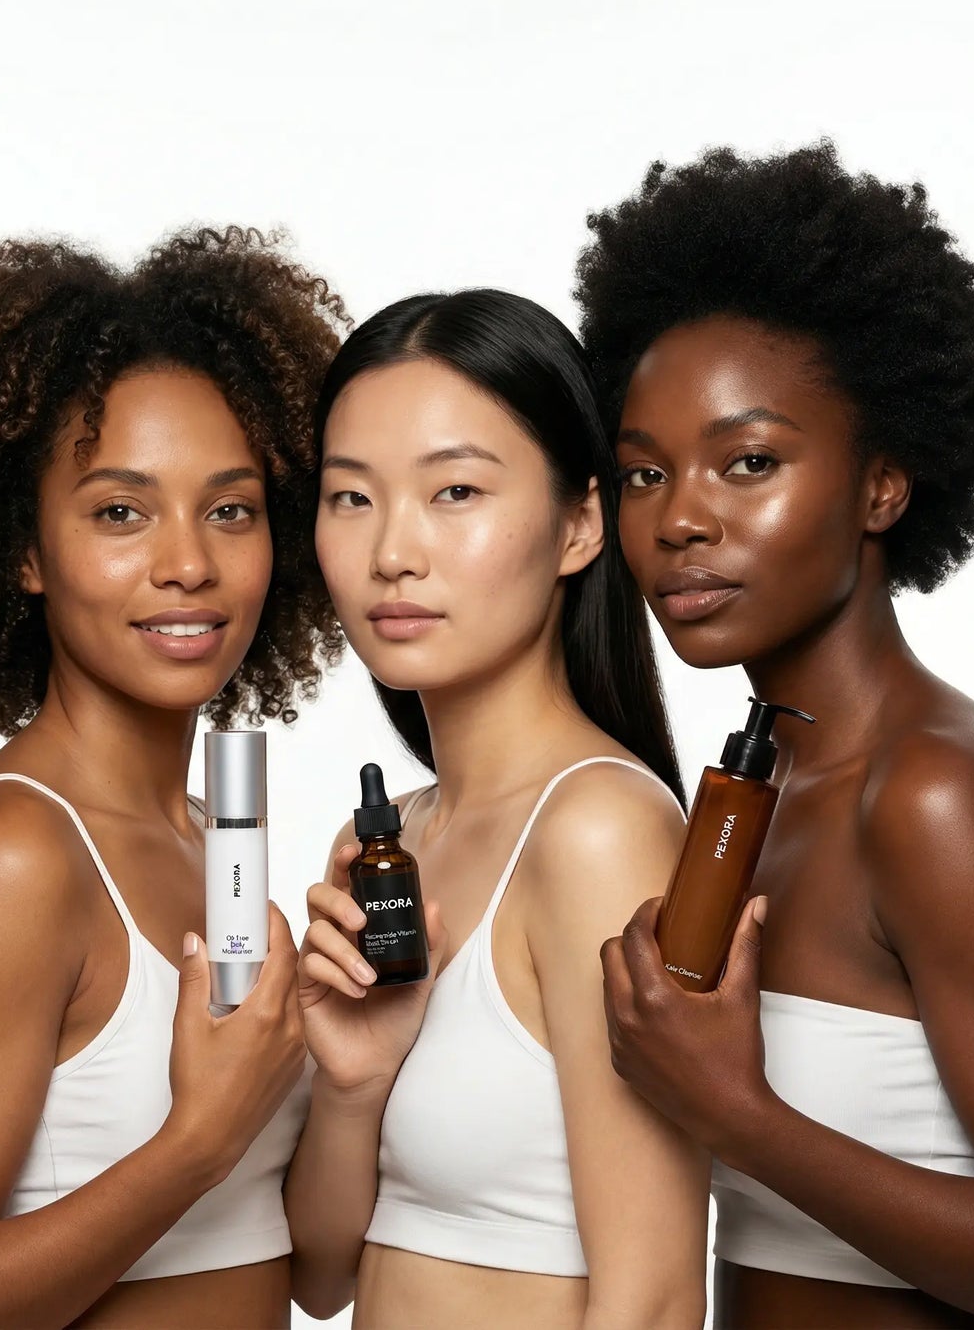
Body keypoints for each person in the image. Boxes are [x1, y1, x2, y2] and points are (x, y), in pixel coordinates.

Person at [0, 228, 349, 1328]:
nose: (187, 560)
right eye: (120, 511)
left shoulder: (211, 839)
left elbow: (311, 1275)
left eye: (230, 507)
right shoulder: (14, 853)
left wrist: (355, 1082)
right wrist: (199, 1138)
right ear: (23, 550)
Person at [579, 142, 974, 1329]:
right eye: (640, 475)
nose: (678, 518)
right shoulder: (750, 789)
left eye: (749, 462)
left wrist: (741, 1117)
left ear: (880, 484)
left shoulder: (928, 791)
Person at [285, 288, 710, 1329]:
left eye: (455, 491)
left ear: (577, 524)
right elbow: (322, 1273)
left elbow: (652, 1296)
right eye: (350, 497)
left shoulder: (595, 831)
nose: (392, 551)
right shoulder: (384, 841)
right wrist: (349, 1082)